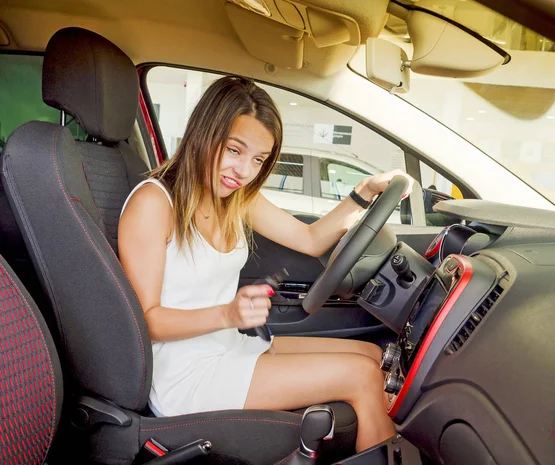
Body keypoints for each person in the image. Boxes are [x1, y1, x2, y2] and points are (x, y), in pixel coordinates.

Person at [118, 76, 413, 452]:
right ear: (204, 134)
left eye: (258, 159)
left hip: (228, 348)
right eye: (234, 150)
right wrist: (227, 314)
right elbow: (147, 322)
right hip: (184, 376)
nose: (243, 171)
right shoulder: (154, 203)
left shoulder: (235, 198)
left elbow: (311, 240)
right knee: (360, 377)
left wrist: (365, 191)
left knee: (373, 357)